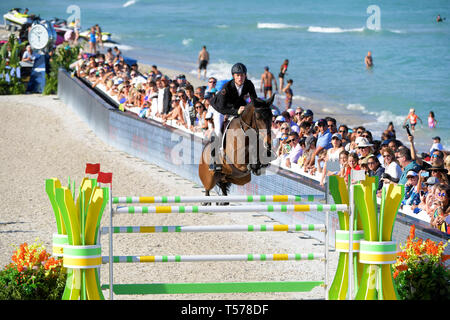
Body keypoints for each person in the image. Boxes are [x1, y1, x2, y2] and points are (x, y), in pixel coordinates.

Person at [208, 62, 257, 171]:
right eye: (237, 75)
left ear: (245, 75)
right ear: (233, 76)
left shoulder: (249, 84)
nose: (240, 77)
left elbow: (254, 101)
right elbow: (222, 107)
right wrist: (236, 112)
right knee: (218, 132)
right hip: (219, 108)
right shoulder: (227, 87)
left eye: (242, 75)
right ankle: (214, 160)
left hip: (235, 107)